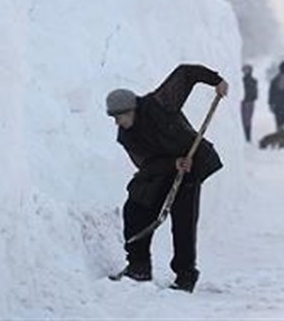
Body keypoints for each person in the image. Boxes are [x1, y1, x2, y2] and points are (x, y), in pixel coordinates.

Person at [106, 64, 229, 293]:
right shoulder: (126, 136)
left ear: (132, 109)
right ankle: (138, 267)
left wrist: (216, 81)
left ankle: (186, 275)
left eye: (119, 117)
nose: (117, 123)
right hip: (163, 169)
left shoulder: (160, 104)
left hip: (193, 163)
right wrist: (173, 164)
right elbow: (145, 165)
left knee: (183, 220)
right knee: (135, 207)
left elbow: (185, 73)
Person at [240, 64, 258, 143]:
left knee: (247, 120)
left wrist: (250, 98)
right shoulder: (242, 80)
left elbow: (255, 93)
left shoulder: (253, 81)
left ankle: (248, 137)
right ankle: (246, 137)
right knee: (243, 120)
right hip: (244, 102)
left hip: (249, 102)